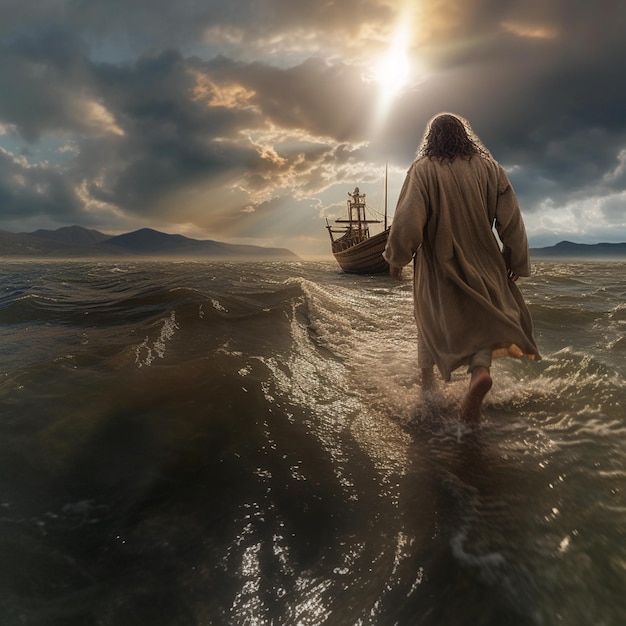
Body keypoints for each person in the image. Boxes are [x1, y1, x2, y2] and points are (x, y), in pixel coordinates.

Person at [383, 113, 540, 423]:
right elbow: (511, 220)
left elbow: (409, 219)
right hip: (485, 262)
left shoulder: (423, 170)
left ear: (432, 138)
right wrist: (516, 259)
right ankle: (479, 374)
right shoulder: (491, 170)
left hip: (438, 266)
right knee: (480, 323)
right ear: (464, 136)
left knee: (429, 319)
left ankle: (429, 392)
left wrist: (397, 257)